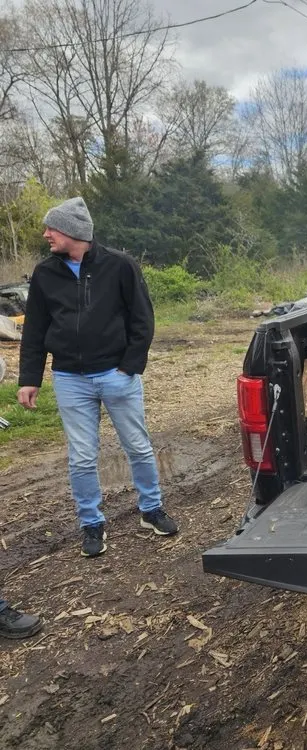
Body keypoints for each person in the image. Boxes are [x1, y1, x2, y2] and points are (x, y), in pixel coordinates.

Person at [17, 197, 179, 558]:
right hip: (69, 379)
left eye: (51, 228)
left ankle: (151, 509)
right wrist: (30, 378)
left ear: (73, 231)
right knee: (81, 457)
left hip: (116, 374)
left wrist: (129, 367)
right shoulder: (45, 273)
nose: (45, 235)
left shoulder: (120, 266)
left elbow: (142, 319)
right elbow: (35, 329)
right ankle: (91, 523)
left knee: (137, 447)